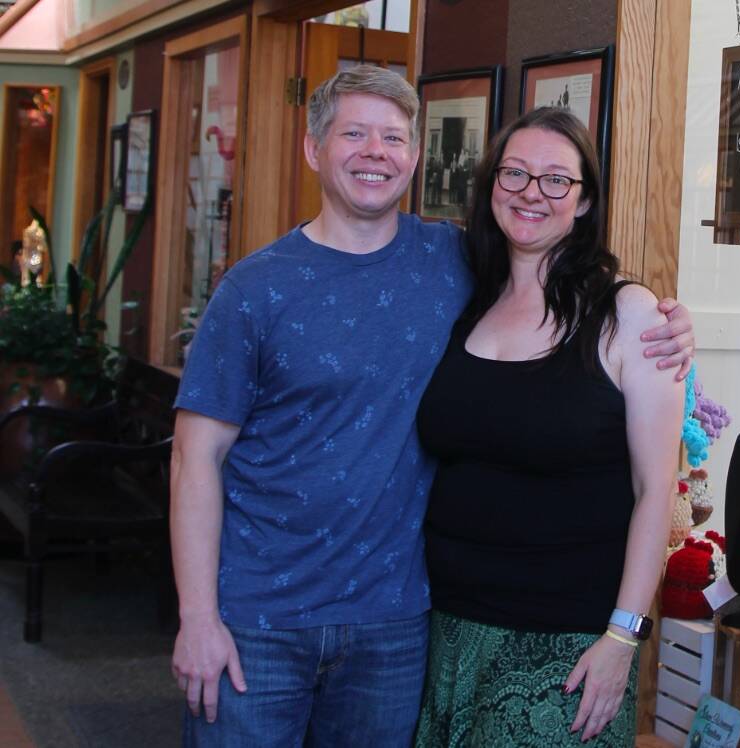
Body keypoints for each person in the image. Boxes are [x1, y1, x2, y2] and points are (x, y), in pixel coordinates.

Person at [169, 66, 693, 747]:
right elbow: (192, 460)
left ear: (415, 158)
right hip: (261, 620)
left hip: (396, 623)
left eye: (392, 137)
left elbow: (587, 322)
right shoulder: (254, 290)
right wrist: (198, 616)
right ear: (313, 149)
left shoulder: (452, 263)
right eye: (353, 133)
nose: (374, 152)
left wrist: (671, 321)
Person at [413, 107, 684, 747]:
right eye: (515, 174)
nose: (532, 192)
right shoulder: (467, 296)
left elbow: (657, 490)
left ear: (585, 201)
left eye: (557, 180)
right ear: (492, 188)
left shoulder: (630, 314)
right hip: (448, 626)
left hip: (567, 640)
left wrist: (624, 636)